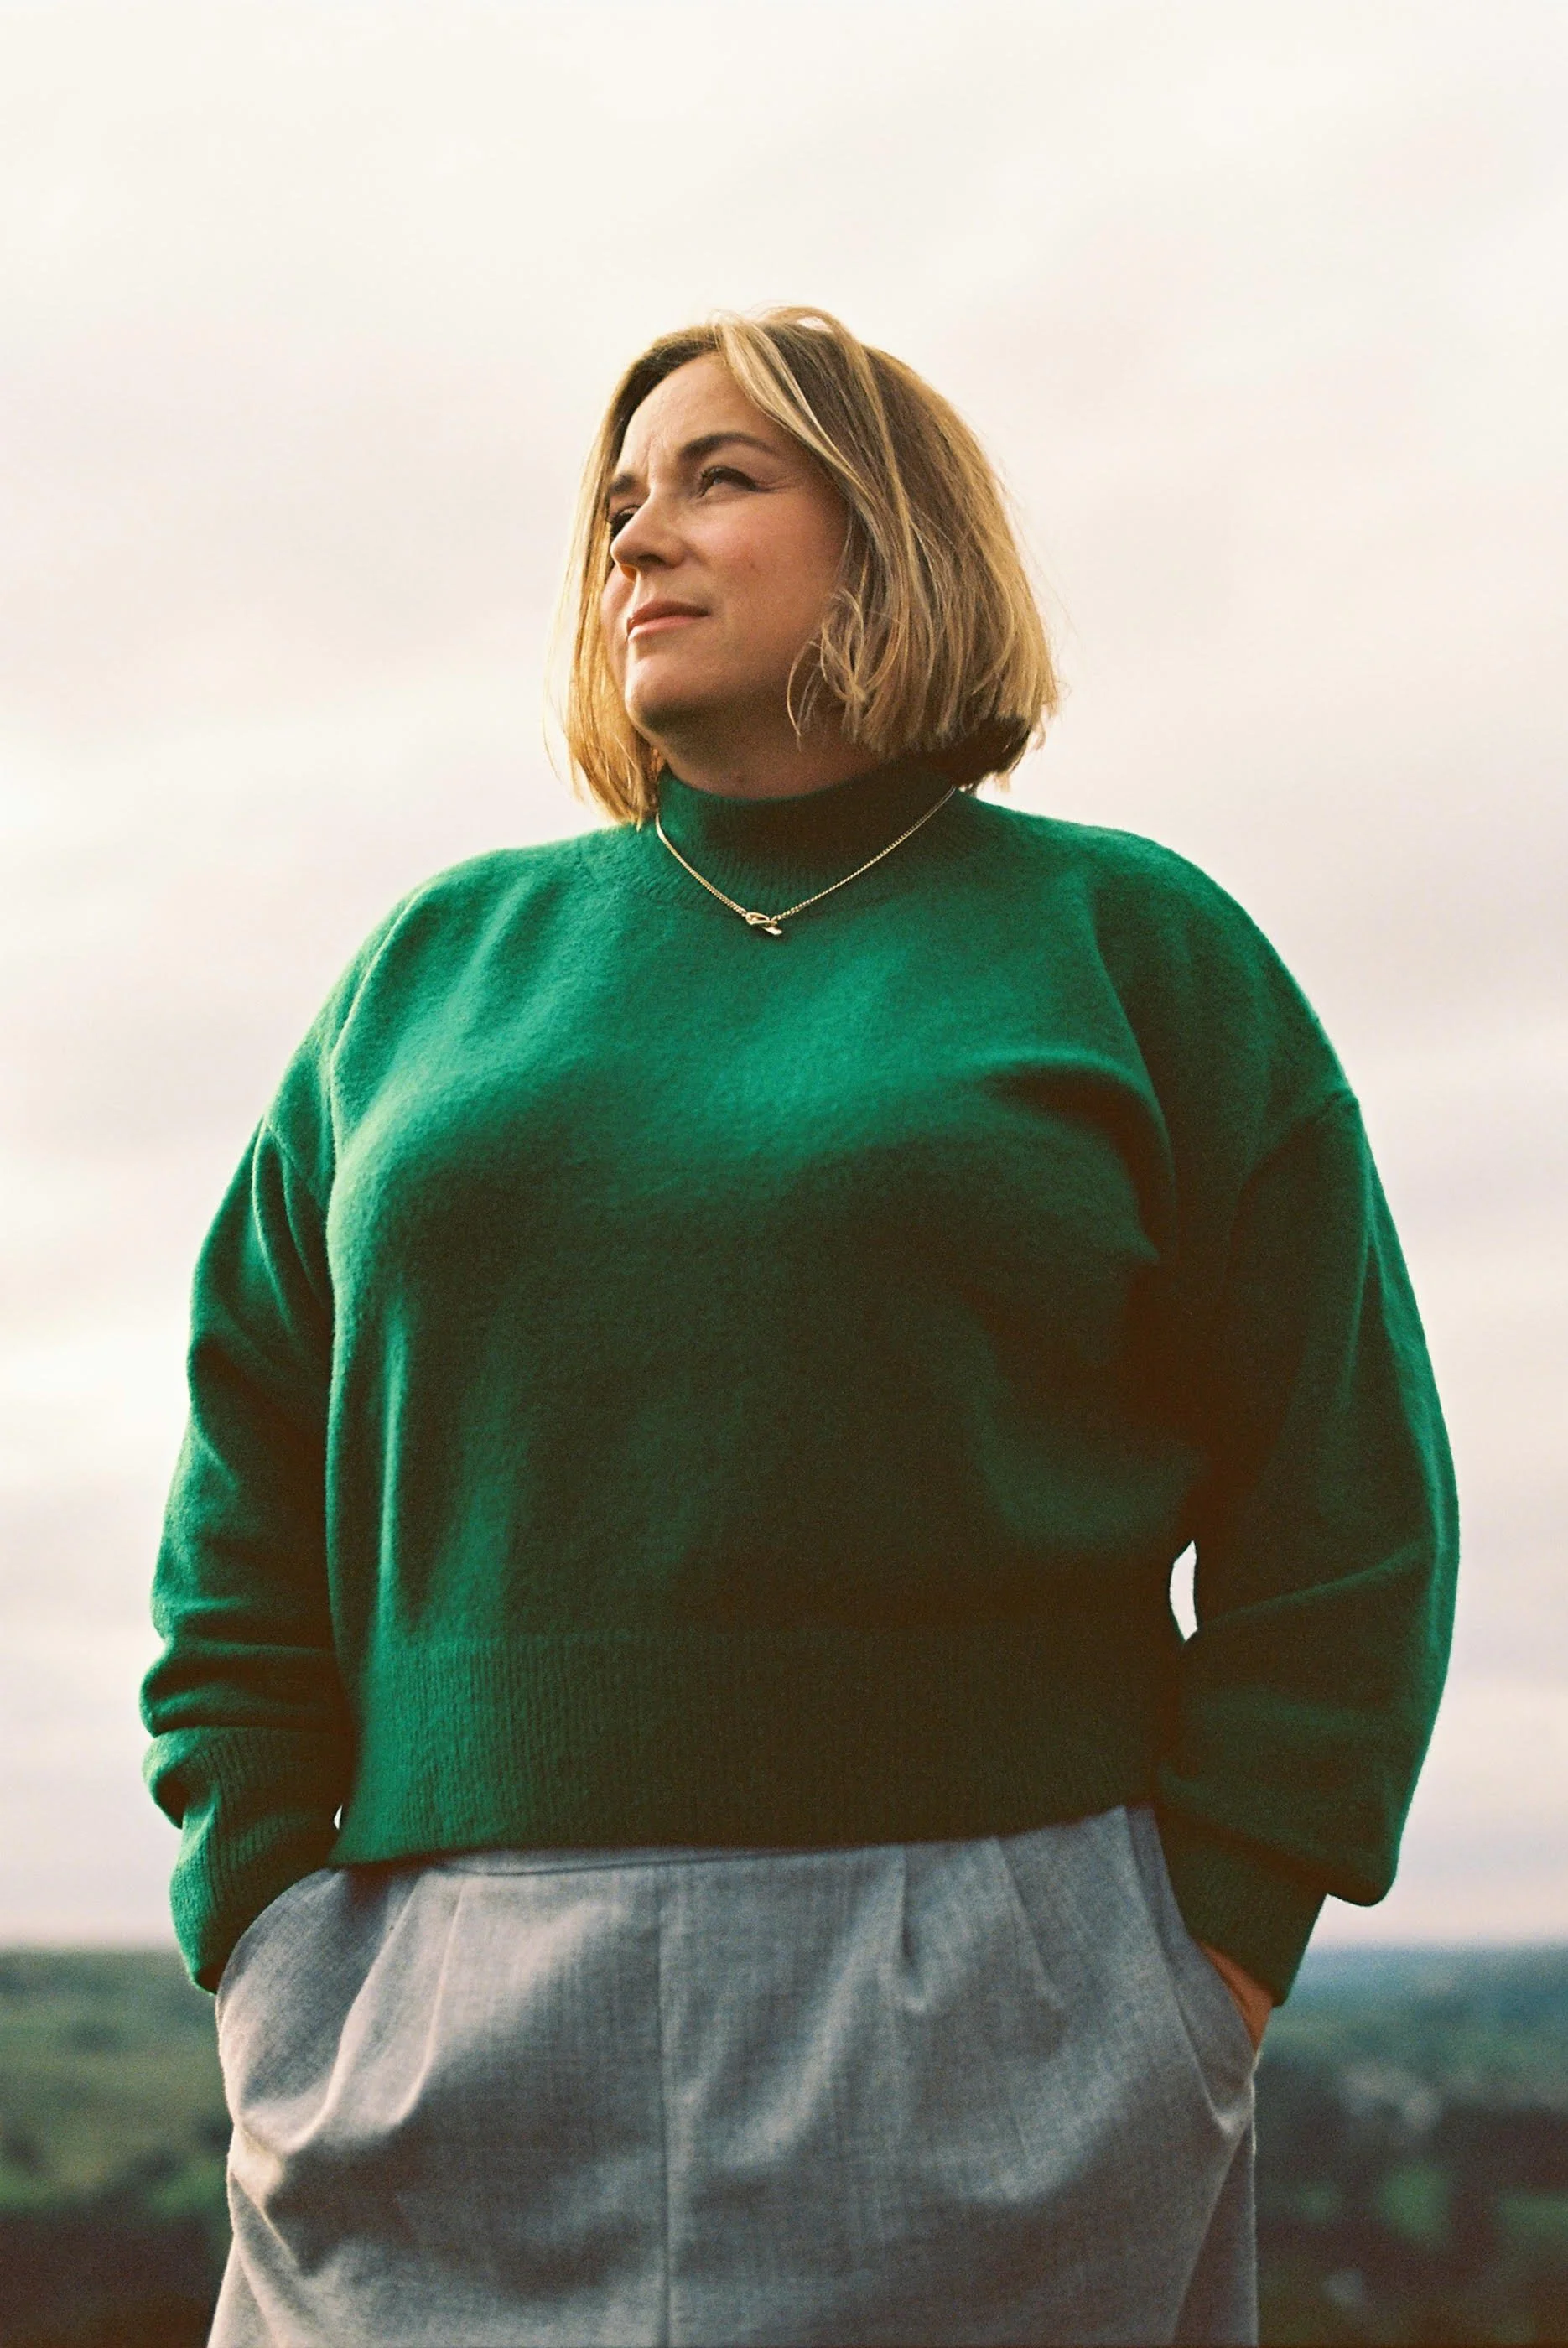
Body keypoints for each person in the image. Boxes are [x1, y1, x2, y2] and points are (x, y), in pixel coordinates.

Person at [143, 306, 1456, 2347]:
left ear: (892, 533)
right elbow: (241, 1457)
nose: (633, 539)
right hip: (416, 2020)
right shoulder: (427, 969)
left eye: (716, 477)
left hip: (1007, 2019)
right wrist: (268, 1932)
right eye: (611, 502)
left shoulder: (1135, 947)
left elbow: (1345, 1502)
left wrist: (1200, 1965)